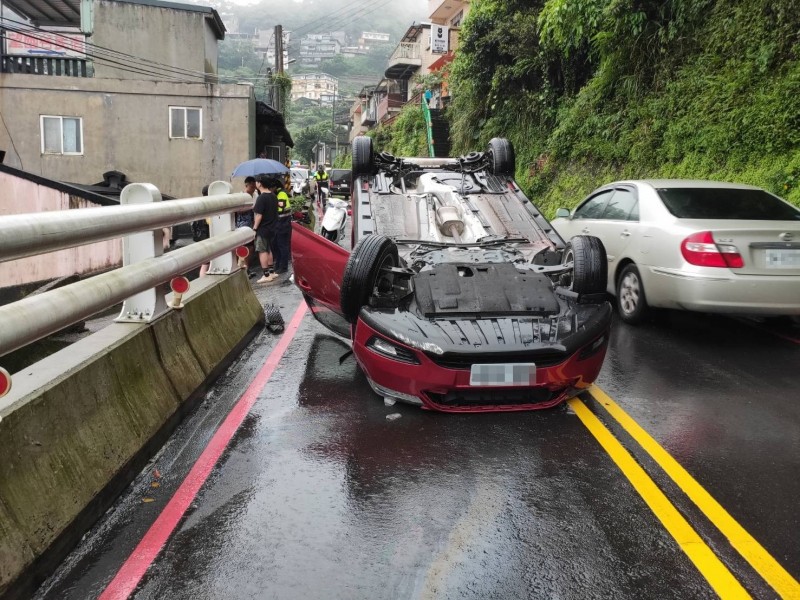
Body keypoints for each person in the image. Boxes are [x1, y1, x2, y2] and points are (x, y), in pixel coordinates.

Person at [252, 174, 279, 284]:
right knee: (269, 250)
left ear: (260, 183)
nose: (256, 183)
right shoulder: (273, 196)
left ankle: (266, 274)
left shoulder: (261, 197)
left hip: (263, 228)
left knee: (262, 250)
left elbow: (259, 215)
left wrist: (254, 228)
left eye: (257, 182)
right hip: (272, 227)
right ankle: (272, 271)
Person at [268, 177, 292, 275]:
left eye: (270, 188)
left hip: (283, 224)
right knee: (277, 246)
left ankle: (284, 267)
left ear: (275, 187)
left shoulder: (281, 194)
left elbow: (280, 208)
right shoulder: (277, 194)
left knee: (282, 246)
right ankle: (278, 265)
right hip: (280, 224)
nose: (269, 190)